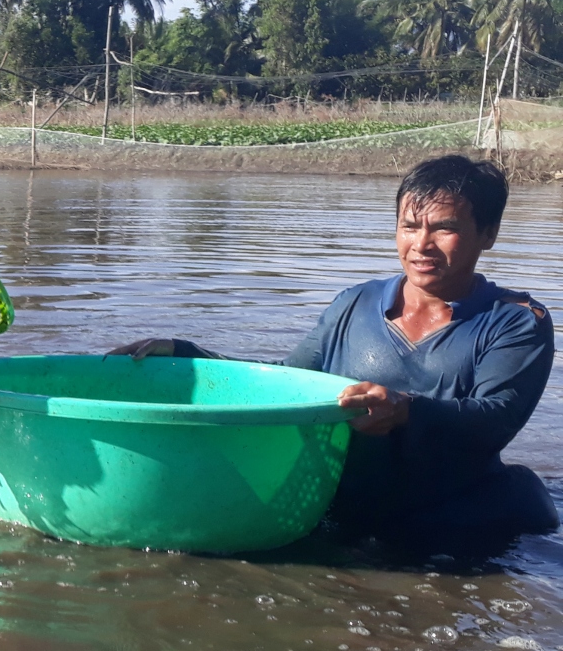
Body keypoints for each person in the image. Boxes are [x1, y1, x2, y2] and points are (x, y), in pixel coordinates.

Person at [114, 155, 556, 550]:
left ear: (489, 234)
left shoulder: (516, 320)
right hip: (344, 508)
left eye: (445, 228)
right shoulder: (355, 304)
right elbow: (287, 382)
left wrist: (405, 410)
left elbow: (495, 419)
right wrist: (187, 355)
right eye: (409, 226)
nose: (421, 244)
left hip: (447, 518)